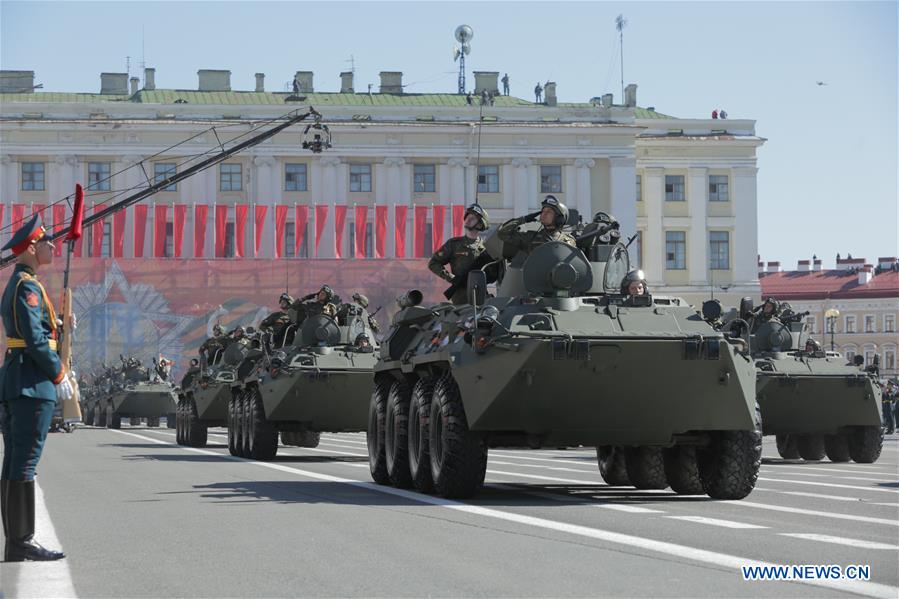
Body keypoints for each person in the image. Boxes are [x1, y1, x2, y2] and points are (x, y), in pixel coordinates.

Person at [0, 213, 72, 561]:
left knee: (14, 461)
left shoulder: (20, 283)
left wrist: (59, 322)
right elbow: (34, 339)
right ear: (32, 247)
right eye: (46, 241)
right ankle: (22, 541)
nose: (52, 246)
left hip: (17, 379)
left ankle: (15, 542)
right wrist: (59, 375)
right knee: (25, 463)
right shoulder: (27, 285)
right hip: (31, 382)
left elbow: (35, 331)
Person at [428, 204, 491, 305]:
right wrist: (451, 278)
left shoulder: (486, 248)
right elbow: (433, 263)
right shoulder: (454, 244)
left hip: (480, 296)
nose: (468, 219)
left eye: (473, 218)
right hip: (460, 299)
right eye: (467, 216)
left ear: (480, 224)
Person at [497, 195, 576, 256]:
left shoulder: (568, 241)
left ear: (559, 218)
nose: (543, 214)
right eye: (543, 211)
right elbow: (502, 233)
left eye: (549, 212)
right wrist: (524, 219)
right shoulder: (531, 237)